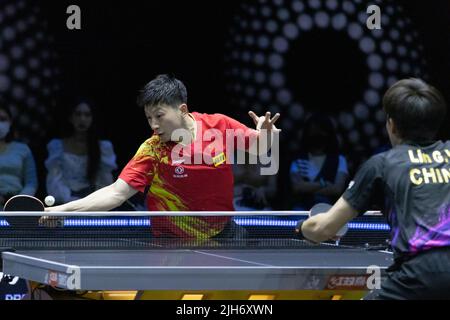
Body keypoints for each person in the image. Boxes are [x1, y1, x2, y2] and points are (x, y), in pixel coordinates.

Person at [45, 75, 280, 240]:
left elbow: (260, 148)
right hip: (171, 243)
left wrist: (268, 135)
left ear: (183, 110)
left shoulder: (218, 126)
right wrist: (62, 211)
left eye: (159, 115)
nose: (154, 125)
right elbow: (116, 193)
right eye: (148, 118)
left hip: (224, 233)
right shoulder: (153, 149)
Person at [296, 78, 450, 299]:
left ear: (391, 124)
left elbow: (324, 229)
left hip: (417, 278)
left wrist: (301, 228)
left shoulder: (381, 165)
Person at [45, 99, 117, 204]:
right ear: (70, 118)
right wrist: (70, 201)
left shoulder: (103, 147)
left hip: (93, 203)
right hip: (64, 202)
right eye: (78, 114)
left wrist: (91, 203)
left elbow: (105, 181)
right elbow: (54, 179)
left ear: (92, 118)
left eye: (87, 115)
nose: (82, 119)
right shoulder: (56, 146)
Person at [290, 113, 349, 210]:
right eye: (313, 131)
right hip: (302, 209)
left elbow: (337, 189)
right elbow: (297, 187)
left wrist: (307, 188)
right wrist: (323, 184)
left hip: (329, 210)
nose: (317, 134)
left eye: (321, 131)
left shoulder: (340, 160)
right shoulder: (298, 160)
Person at [0, 103, 38, 208]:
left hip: (17, 207)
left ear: (10, 122)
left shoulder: (23, 149)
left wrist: (18, 201)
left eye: (3, 119)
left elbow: (31, 182)